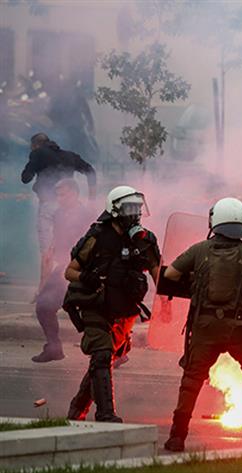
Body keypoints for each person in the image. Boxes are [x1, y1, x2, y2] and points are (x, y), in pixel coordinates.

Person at [161, 198, 242, 451]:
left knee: (192, 379)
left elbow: (170, 274)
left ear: (214, 221)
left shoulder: (199, 250)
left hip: (205, 327)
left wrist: (196, 278)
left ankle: (177, 437)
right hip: (241, 329)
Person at [64, 185, 160, 422]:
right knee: (102, 354)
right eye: (130, 208)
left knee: (103, 360)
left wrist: (166, 305)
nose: (135, 214)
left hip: (123, 310)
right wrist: (86, 276)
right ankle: (105, 414)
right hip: (94, 304)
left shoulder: (144, 240)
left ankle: (77, 410)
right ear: (115, 210)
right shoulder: (97, 237)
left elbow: (158, 274)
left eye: (138, 209)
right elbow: (70, 271)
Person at [21, 133, 97, 287]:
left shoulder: (38, 153)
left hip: (49, 205)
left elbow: (25, 178)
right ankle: (67, 287)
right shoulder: (70, 156)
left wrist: (34, 168)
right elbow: (91, 171)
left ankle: (43, 290)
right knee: (71, 247)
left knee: (48, 250)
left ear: (36, 145)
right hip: (70, 207)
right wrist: (92, 199)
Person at [31, 179, 94, 362]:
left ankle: (118, 351)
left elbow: (93, 244)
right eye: (57, 195)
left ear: (74, 193)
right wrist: (43, 282)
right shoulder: (58, 214)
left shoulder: (86, 214)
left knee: (93, 312)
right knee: (43, 305)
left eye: (63, 194)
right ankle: (54, 347)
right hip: (63, 269)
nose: (60, 198)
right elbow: (55, 245)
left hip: (83, 269)